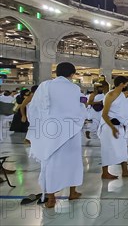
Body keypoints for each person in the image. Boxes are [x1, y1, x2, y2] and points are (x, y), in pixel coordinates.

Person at [27, 62, 86, 208]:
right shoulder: (74, 88)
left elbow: (35, 107)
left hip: (51, 130)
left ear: (56, 73)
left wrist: (39, 124)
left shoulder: (45, 86)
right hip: (71, 130)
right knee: (73, 162)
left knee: (50, 162)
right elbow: (79, 109)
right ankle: (73, 192)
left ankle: (51, 197)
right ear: (72, 74)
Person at [98, 76, 128, 180]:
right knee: (107, 149)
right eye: (127, 84)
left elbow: (122, 111)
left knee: (123, 148)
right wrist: (112, 128)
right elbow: (104, 114)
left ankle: (125, 171)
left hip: (119, 126)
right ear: (121, 84)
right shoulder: (110, 95)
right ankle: (105, 173)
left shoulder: (121, 95)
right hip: (109, 126)